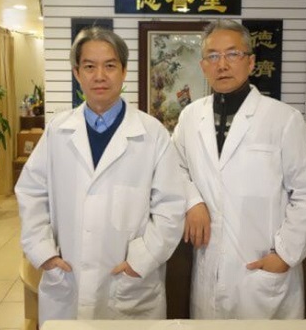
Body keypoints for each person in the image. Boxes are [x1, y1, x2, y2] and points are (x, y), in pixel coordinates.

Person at [15, 27, 185, 324]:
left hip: (129, 281)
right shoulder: (57, 131)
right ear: (77, 73)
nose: (100, 76)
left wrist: (142, 260)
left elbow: (171, 206)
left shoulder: (152, 133)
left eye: (109, 65)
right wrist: (44, 252)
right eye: (89, 66)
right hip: (67, 276)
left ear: (124, 71)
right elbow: (31, 192)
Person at [172, 19, 306, 319]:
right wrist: (192, 201)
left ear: (251, 62)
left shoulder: (283, 120)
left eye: (233, 54)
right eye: (213, 56)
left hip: (262, 268)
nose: (222, 65)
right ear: (203, 66)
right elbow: (174, 167)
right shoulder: (190, 117)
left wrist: (285, 254)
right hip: (209, 267)